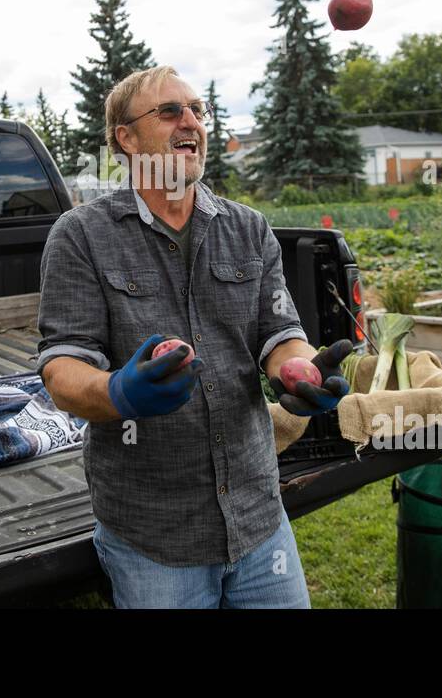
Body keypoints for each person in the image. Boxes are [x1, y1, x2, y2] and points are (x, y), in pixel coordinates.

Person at [35, 66, 353, 608]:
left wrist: (296, 372)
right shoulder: (81, 236)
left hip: (257, 516)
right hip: (154, 536)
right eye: (169, 111)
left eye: (197, 110)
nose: (192, 122)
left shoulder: (248, 228)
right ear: (126, 139)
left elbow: (280, 332)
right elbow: (63, 366)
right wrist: (118, 393)